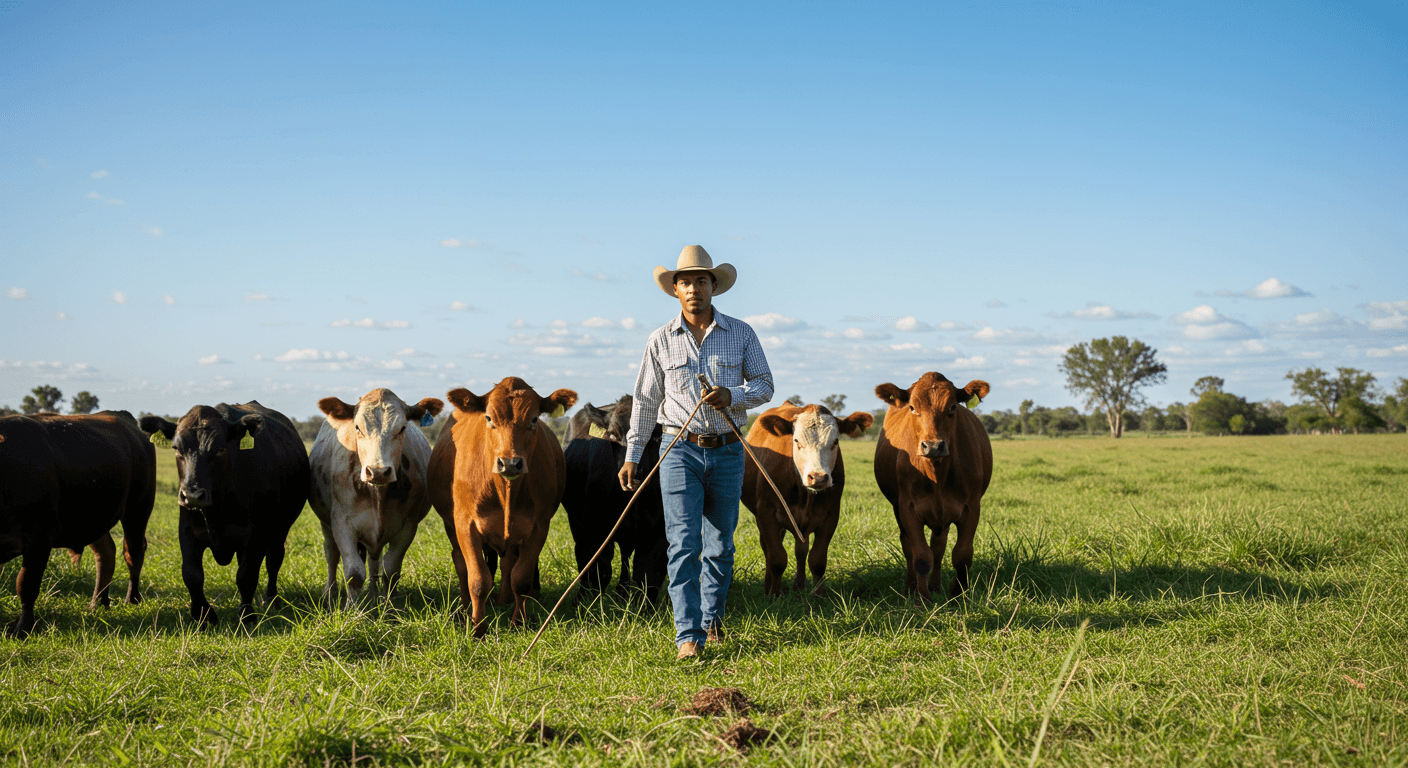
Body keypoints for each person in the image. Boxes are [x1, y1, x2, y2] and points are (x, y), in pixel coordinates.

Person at [619, 245, 774, 659]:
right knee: (683, 543)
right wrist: (633, 453)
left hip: (727, 450)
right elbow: (645, 401)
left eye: (701, 281)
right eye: (685, 282)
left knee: (720, 544)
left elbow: (765, 385)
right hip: (677, 450)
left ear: (713, 286)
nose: (693, 289)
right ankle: (687, 635)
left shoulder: (741, 333)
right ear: (675, 289)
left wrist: (732, 395)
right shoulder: (660, 340)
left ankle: (712, 621)